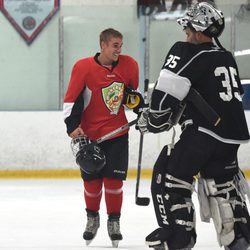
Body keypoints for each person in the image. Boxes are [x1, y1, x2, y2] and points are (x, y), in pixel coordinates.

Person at [137, 2, 250, 250]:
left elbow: (167, 90)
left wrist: (153, 118)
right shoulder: (225, 56)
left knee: (170, 174)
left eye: (188, 29)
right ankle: (239, 237)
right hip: (231, 136)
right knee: (223, 184)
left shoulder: (188, 52)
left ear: (199, 30)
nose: (186, 34)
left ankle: (179, 238)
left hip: (203, 134)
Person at [63, 28, 140, 247]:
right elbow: (71, 99)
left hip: (118, 133)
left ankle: (114, 222)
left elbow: (129, 97)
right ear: (103, 45)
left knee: (114, 182)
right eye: (115, 45)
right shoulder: (83, 67)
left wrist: (139, 106)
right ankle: (92, 218)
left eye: (121, 45)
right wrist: (71, 126)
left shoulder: (130, 65)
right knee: (93, 182)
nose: (119, 49)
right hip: (90, 136)